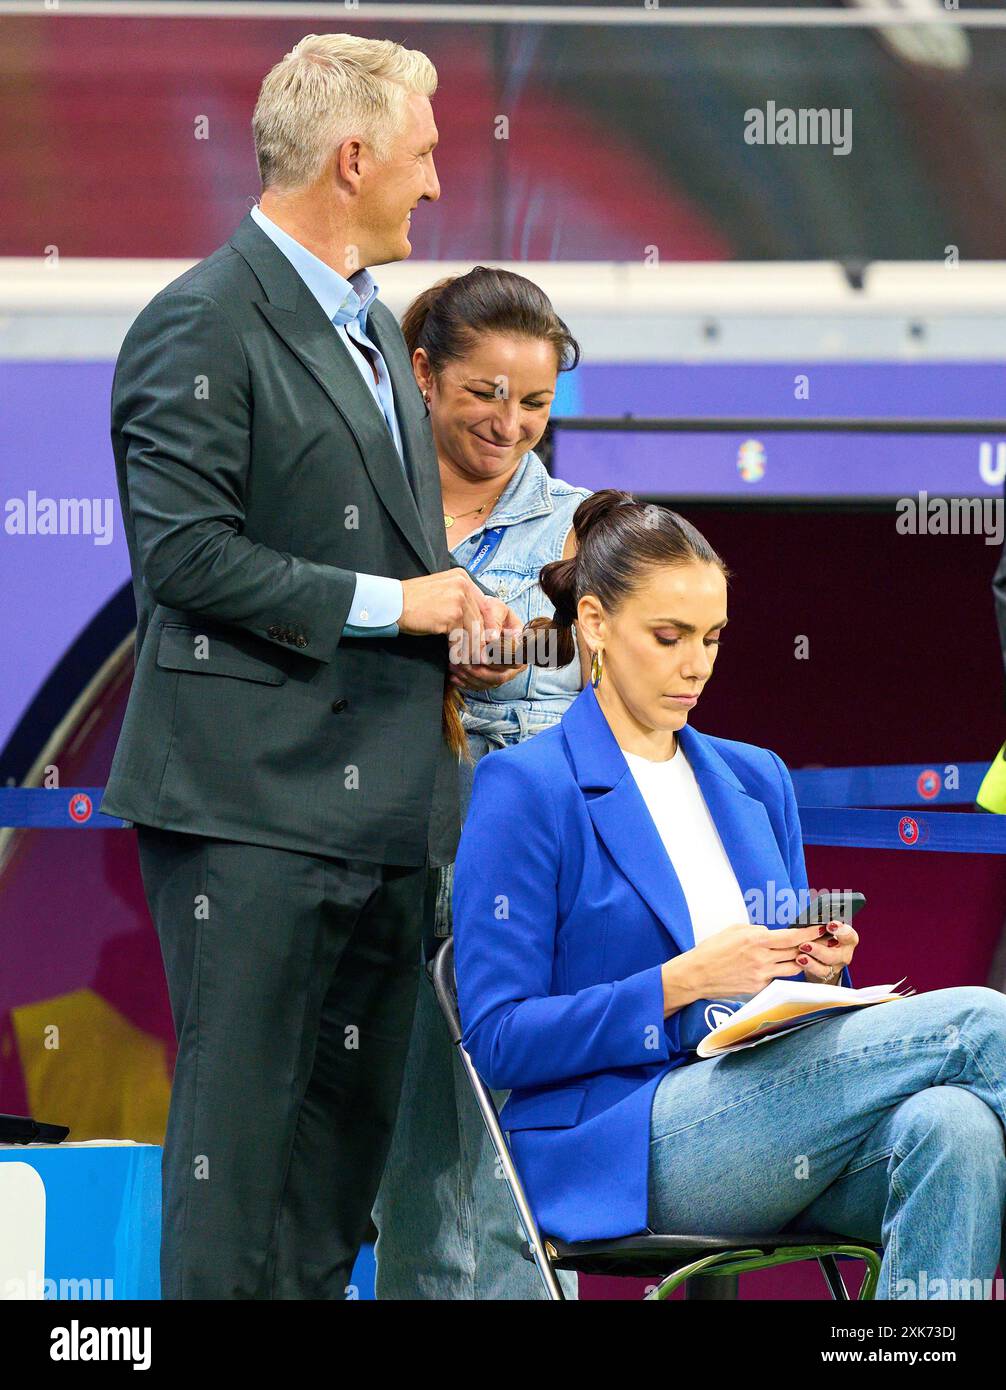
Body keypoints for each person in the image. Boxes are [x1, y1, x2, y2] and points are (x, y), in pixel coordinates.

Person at [100, 33, 522, 1299]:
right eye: (424, 152)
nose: (438, 182)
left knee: (338, 1172)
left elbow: (379, 581)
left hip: (390, 824)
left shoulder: (384, 338)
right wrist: (402, 601)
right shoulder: (197, 320)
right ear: (352, 158)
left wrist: (454, 641)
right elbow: (186, 560)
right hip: (251, 817)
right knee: (240, 1167)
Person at [453, 490, 1006, 1300]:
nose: (696, 664)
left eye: (711, 638)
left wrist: (820, 975)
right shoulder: (527, 786)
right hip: (629, 1143)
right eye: (668, 637)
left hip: (774, 1119)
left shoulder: (755, 777)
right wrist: (685, 980)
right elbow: (499, 1039)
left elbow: (792, 1010)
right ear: (597, 625)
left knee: (955, 1129)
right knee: (983, 1022)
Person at [371, 267, 590, 1299]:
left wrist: (518, 652)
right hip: (369, 872)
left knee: (513, 1190)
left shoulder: (586, 528)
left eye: (537, 402)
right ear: (422, 374)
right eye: (485, 394)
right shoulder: (360, 507)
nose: (512, 424)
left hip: (519, 899)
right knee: (407, 1190)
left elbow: (632, 661)